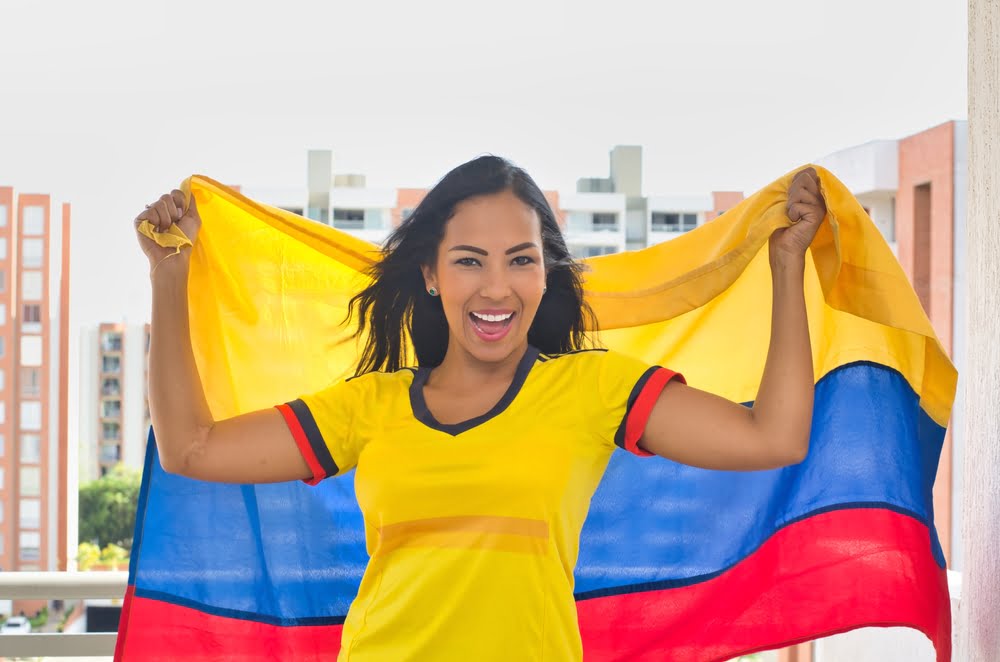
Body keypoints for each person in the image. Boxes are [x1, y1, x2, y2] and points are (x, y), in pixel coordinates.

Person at [133, 155, 826, 661]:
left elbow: (774, 437)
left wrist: (788, 266)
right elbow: (190, 449)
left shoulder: (592, 390)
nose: (497, 287)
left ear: (545, 273)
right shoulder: (370, 407)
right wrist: (170, 277)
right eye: (469, 261)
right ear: (431, 275)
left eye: (520, 260)